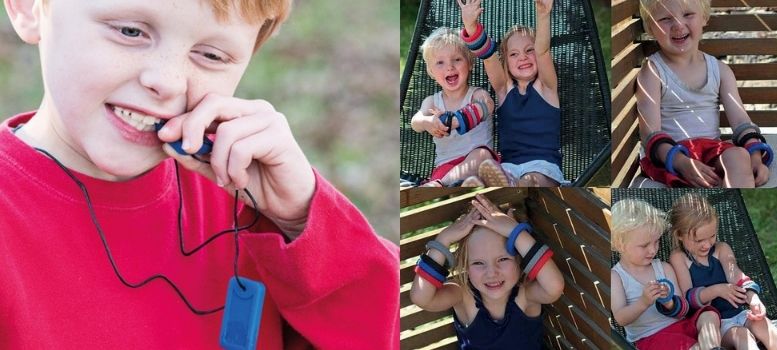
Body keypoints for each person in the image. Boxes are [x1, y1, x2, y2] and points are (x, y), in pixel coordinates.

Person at [0, 0, 399, 349]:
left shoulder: (250, 201)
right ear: (27, 7)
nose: (167, 82)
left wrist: (302, 220)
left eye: (210, 55)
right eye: (130, 31)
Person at [635, 0, 771, 188]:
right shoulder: (653, 71)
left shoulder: (720, 71)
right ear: (650, 28)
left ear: (704, 17)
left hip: (712, 151)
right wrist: (682, 163)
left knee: (739, 155)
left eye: (688, 15)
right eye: (665, 19)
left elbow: (740, 121)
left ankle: (734, 196)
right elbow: (650, 133)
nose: (678, 25)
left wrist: (755, 157)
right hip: (672, 154)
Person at [410, 194, 564, 348]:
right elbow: (421, 298)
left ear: (519, 258)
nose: (491, 273)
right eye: (478, 263)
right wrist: (443, 239)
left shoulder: (526, 294)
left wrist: (515, 232)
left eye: (503, 259)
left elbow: (554, 286)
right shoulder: (463, 295)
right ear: (465, 265)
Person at [458, 0, 568, 187]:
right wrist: (471, 26)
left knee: (529, 181)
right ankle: (500, 198)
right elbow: (487, 55)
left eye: (529, 50)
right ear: (506, 62)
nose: (523, 57)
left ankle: (510, 195)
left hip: (543, 167)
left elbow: (543, 51)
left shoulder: (547, 87)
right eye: (514, 54)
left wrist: (543, 14)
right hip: (508, 167)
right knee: (484, 181)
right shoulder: (503, 90)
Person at [668, 194, 777, 349]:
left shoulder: (722, 249)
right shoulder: (679, 258)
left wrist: (752, 297)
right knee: (742, 335)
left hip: (740, 313)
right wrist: (717, 290)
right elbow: (688, 298)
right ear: (679, 235)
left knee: (765, 325)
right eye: (699, 240)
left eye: (712, 236)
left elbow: (736, 275)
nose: (707, 244)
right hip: (714, 325)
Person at [611, 199, 723, 350]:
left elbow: (684, 308)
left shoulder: (664, 268)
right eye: (644, 245)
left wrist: (670, 303)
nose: (653, 250)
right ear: (619, 244)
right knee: (693, 347)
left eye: (656, 242)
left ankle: (711, 348)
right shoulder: (617, 277)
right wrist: (643, 302)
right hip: (653, 338)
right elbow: (620, 318)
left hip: (682, 326)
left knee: (709, 315)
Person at [411, 27, 498, 187]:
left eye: (457, 59)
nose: (449, 66)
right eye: (440, 62)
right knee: (454, 176)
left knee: (482, 154)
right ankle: (449, 183)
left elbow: (487, 105)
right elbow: (415, 121)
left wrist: (457, 120)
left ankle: (444, 184)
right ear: (431, 71)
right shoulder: (432, 101)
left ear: (470, 63)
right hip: (446, 167)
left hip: (482, 166)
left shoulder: (476, 94)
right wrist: (427, 122)